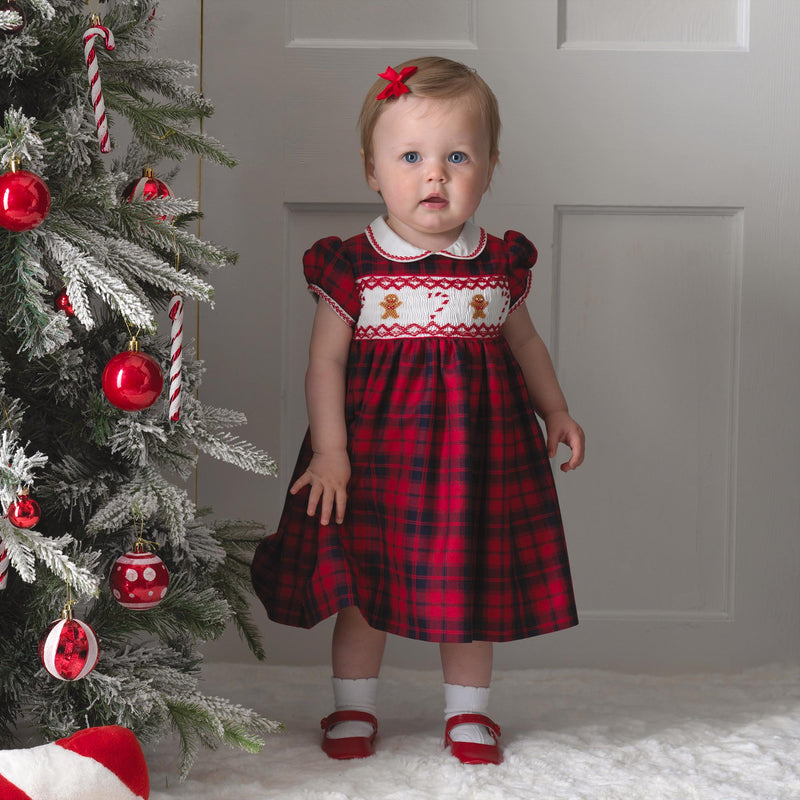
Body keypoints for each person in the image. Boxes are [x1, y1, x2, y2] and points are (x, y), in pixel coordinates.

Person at [251, 56, 585, 765]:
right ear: (373, 170)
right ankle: (352, 708)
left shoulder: (498, 263)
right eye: (411, 157)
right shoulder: (356, 264)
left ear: (489, 167)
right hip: (376, 458)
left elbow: (525, 345)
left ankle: (468, 715)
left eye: (457, 157)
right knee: (363, 589)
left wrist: (555, 410)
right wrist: (331, 453)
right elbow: (326, 364)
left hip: (477, 460)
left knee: (470, 587)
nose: (434, 175)